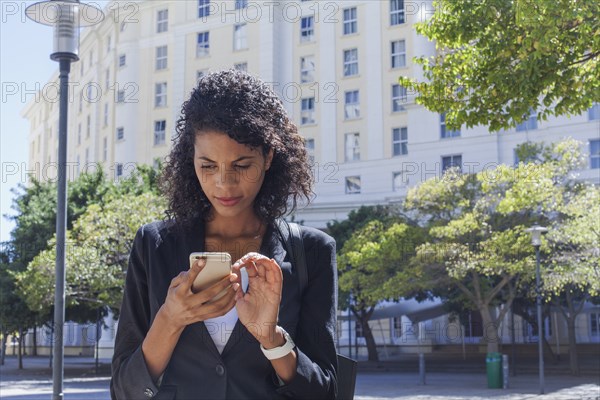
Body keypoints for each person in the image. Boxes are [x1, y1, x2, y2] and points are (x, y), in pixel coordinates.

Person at [110, 70, 338, 399]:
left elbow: (324, 392)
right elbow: (123, 391)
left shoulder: (313, 251)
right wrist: (170, 319)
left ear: (269, 157)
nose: (224, 183)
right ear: (191, 161)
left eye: (242, 165)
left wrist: (271, 338)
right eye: (208, 165)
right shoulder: (152, 246)